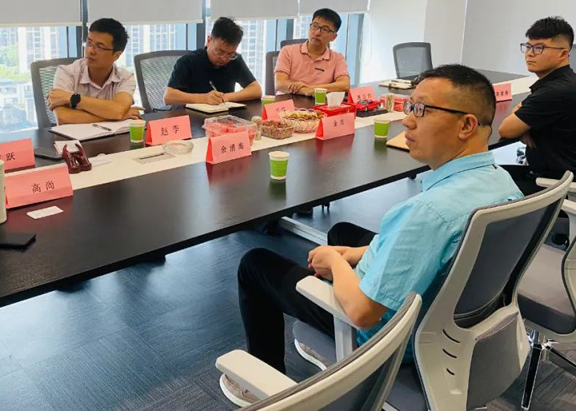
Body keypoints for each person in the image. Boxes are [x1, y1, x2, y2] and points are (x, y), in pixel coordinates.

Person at [220, 65, 522, 407]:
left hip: (383, 335)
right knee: (343, 233)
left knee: (255, 264)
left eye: (421, 110)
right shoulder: (502, 182)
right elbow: (437, 248)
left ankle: (264, 378)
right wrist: (356, 253)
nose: (407, 120)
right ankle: (327, 336)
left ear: (466, 125)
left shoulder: (429, 213)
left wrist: (335, 262)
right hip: (450, 320)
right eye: (409, 106)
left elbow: (364, 313)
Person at [498, 16, 576, 194]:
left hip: (559, 188)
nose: (530, 53)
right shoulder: (566, 79)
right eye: (528, 46)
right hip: (560, 176)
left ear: (563, 53)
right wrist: (526, 125)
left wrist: (524, 125)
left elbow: (506, 130)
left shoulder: (556, 91)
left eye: (539, 48)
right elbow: (522, 108)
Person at [49, 18, 141, 124]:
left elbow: (118, 110)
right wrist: (114, 115)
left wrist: (73, 98)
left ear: (116, 55)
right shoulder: (66, 73)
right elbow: (63, 118)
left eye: (99, 47)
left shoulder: (125, 78)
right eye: (89, 43)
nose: (90, 51)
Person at [164, 17, 262, 106]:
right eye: (219, 51)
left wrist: (225, 97)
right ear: (209, 40)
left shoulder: (235, 60)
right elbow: (169, 97)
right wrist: (204, 98)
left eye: (230, 54)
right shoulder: (188, 61)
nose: (224, 58)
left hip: (222, 116)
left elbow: (256, 89)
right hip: (190, 116)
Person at [274, 8, 350, 96]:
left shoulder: (337, 58)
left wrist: (312, 89)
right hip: (287, 102)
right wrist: (306, 91)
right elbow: (280, 84)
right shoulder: (288, 51)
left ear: (334, 37)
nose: (317, 33)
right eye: (315, 26)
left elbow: (345, 85)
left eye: (325, 29)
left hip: (318, 103)